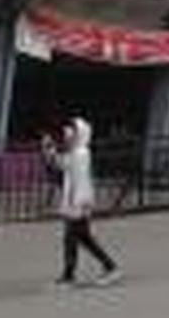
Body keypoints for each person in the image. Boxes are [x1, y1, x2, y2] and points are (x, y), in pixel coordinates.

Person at [44, 117, 123, 288]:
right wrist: (51, 152)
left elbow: (81, 180)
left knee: (72, 239)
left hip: (78, 204)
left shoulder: (81, 153)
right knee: (84, 239)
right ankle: (109, 267)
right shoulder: (74, 152)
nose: (67, 132)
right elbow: (62, 165)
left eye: (71, 129)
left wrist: (80, 204)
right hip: (75, 203)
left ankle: (70, 276)